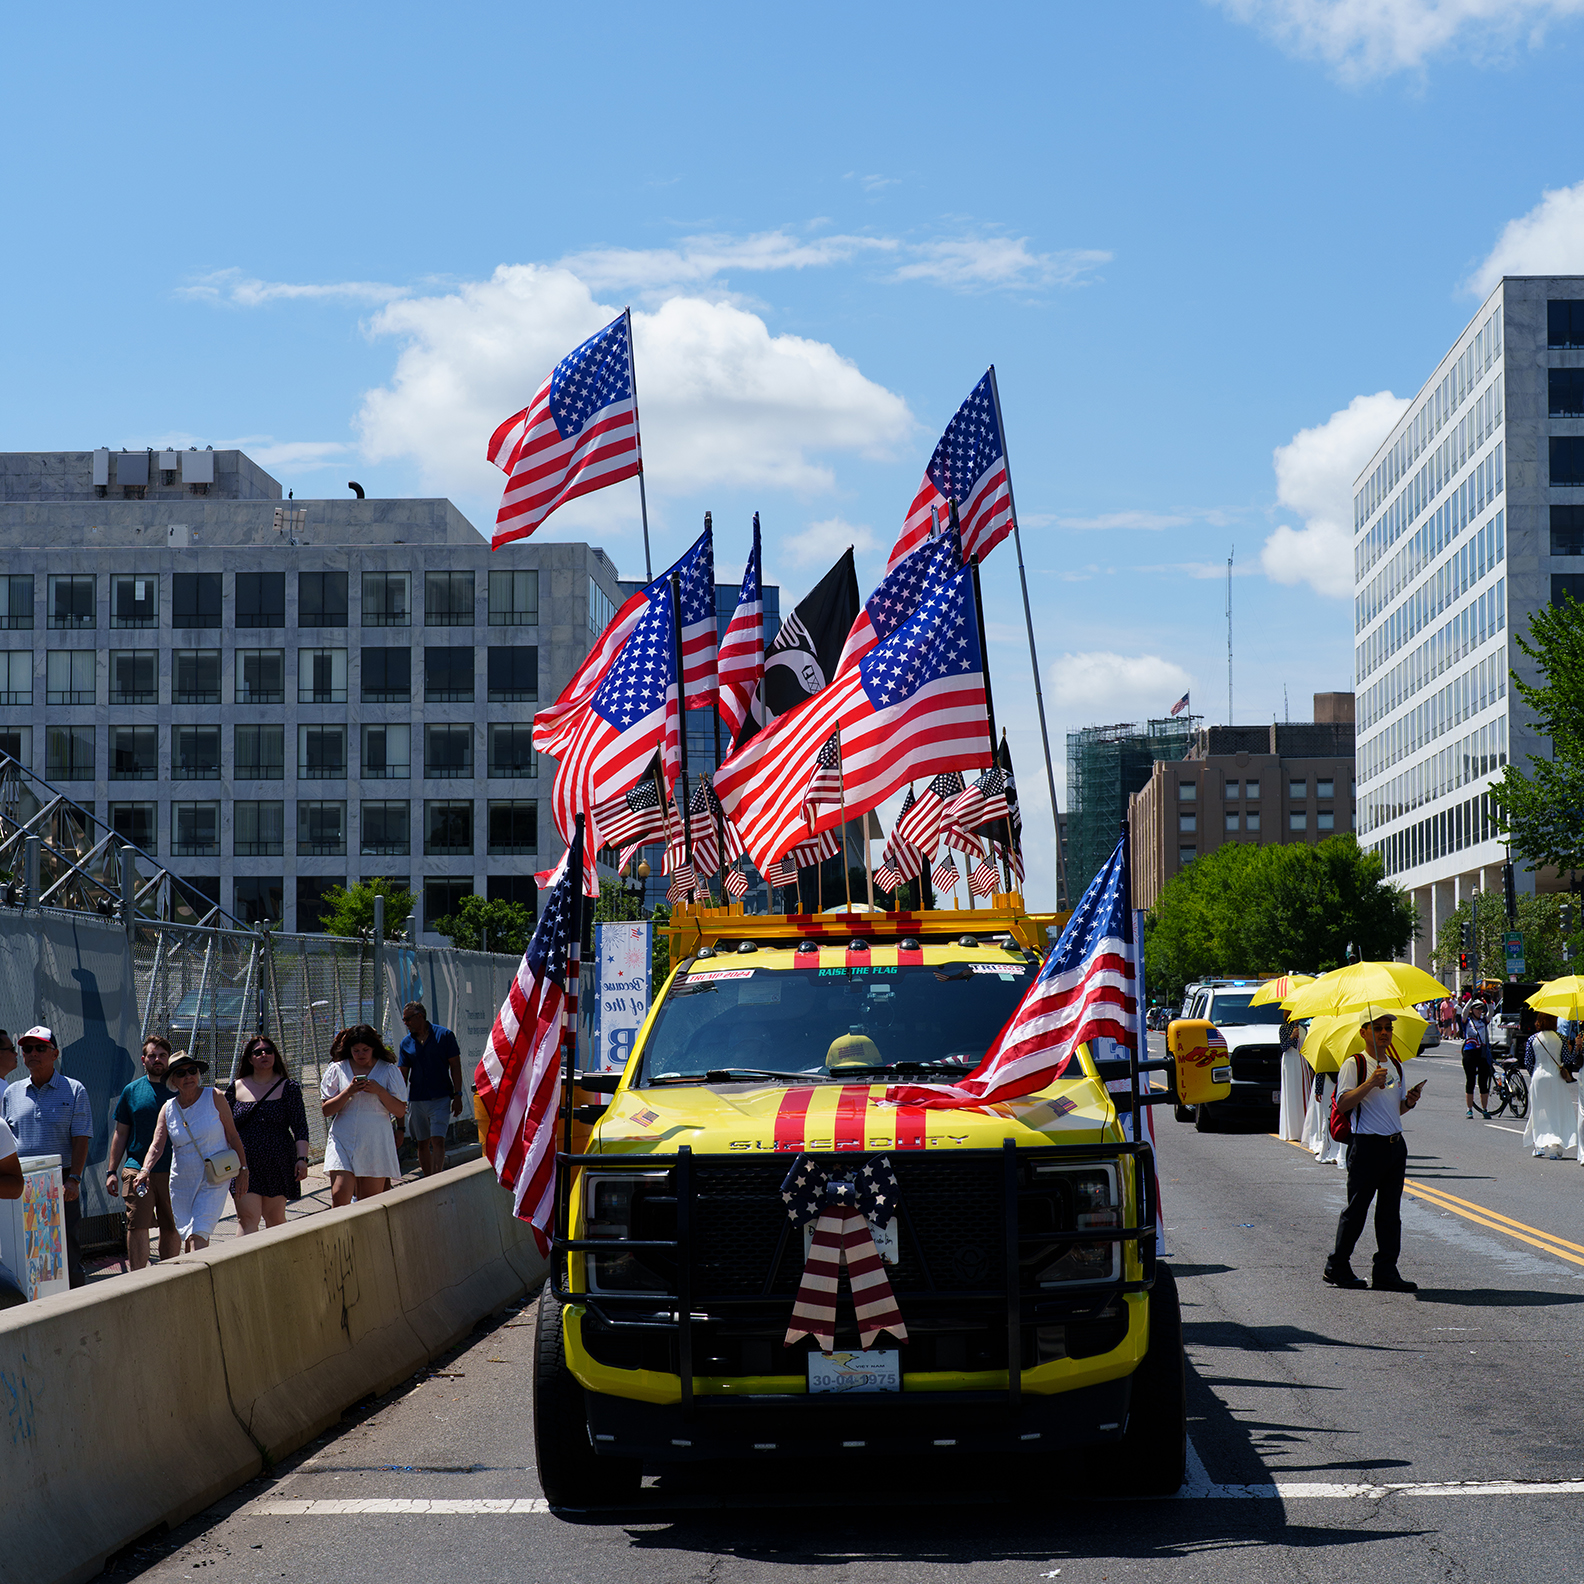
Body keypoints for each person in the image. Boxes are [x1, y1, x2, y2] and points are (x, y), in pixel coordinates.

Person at [1324, 1012, 1425, 1292]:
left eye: (1388, 1028)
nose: (1384, 1033)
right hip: (1366, 1145)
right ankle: (1337, 1266)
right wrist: (1369, 1083)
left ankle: (1385, 1270)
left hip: (1394, 1145)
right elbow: (1342, 1104)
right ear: (1363, 1033)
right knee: (1356, 1210)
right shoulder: (1354, 1064)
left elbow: (1397, 1109)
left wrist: (1410, 1101)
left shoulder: (1395, 1065)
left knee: (1390, 1213)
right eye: (1377, 1028)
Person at [1, 1026, 93, 1286]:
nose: (33, 1053)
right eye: (27, 1049)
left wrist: (73, 1178)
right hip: (20, 1181)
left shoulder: (74, 1090)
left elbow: (81, 1138)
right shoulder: (11, 1093)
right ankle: (27, 1298)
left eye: (40, 1048)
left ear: (55, 1054)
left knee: (65, 1243)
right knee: (24, 1243)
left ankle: (75, 1299)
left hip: (61, 1181)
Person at [135, 1050, 248, 1251]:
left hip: (214, 1177)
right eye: (181, 1073)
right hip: (182, 1182)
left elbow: (232, 1135)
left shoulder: (214, 1096)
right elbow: (157, 1145)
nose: (188, 1076)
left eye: (192, 1071)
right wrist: (145, 1170)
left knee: (199, 1232)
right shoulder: (168, 1108)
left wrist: (244, 1170)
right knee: (189, 1235)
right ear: (173, 1081)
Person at [105, 1035, 180, 1269]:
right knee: (137, 1226)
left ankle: (170, 1277)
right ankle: (138, 1281)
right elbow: (121, 1133)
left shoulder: (181, 1089)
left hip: (176, 1171)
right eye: (152, 1055)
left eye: (162, 1055)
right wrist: (112, 1171)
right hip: (138, 1171)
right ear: (143, 1059)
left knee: (172, 1226)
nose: (157, 1059)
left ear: (169, 1059)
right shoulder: (132, 1091)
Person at [224, 1036, 310, 1233]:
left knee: (275, 1218)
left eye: (269, 1051)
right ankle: (245, 1263)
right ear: (249, 1059)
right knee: (247, 1218)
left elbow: (300, 1126)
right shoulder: (235, 1088)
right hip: (244, 1164)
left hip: (278, 1162)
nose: (264, 1054)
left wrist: (302, 1159)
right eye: (258, 1052)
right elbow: (224, 1126)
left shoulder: (289, 1088)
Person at [321, 1024, 407, 1206]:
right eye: (356, 1050)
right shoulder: (337, 1069)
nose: (360, 1054)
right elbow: (327, 1110)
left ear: (374, 1048)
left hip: (375, 1139)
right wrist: (348, 1092)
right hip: (342, 1137)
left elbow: (400, 1110)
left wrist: (380, 1091)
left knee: (367, 1203)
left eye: (365, 1050)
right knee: (339, 1195)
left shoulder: (388, 1070)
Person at [398, 1002, 463, 1177]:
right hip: (417, 1099)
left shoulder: (445, 1035)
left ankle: (437, 1177)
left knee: (438, 1140)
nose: (406, 1023)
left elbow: (455, 1066)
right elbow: (402, 1074)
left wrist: (458, 1095)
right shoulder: (406, 1043)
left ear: (420, 1016)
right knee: (422, 1143)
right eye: (404, 1020)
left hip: (441, 1097)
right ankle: (429, 1179)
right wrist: (398, 1100)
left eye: (408, 1019)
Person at [1523, 1013, 1578, 1160]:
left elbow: (1528, 1062)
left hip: (1538, 1077)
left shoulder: (1532, 1039)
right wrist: (1575, 1047)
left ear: (1539, 1022)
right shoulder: (1561, 1038)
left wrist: (1534, 1073)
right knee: (1555, 1111)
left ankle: (1539, 1145)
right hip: (1555, 1078)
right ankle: (1554, 1148)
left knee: (1538, 1110)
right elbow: (1568, 1060)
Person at [1277, 1019, 1307, 1141]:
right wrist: (1291, 1036)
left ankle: (1303, 1129)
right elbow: (1283, 1047)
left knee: (1302, 1092)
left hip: (1301, 1060)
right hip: (1290, 1060)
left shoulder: (1304, 1028)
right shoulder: (1283, 1028)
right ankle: (1292, 1130)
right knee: (1291, 1092)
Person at [1461, 1000, 1493, 1119]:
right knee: (1470, 1081)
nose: (1480, 1011)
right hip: (1470, 1053)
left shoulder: (1483, 1021)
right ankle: (1469, 1109)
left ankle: (1485, 1109)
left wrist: (1488, 1001)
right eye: (1477, 1009)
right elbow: (1464, 1012)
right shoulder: (1467, 1021)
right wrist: (1471, 1000)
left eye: (1481, 1009)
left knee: (1483, 1082)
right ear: (1472, 1010)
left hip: (1482, 1053)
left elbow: (1491, 1013)